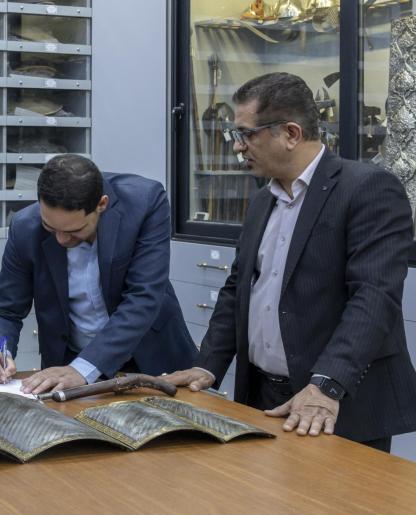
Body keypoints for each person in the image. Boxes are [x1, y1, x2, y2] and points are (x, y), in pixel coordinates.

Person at [163, 72, 416, 450]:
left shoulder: (367, 189)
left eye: (246, 134)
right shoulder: (262, 201)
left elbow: (374, 297)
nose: (238, 147)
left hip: (336, 403)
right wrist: (207, 365)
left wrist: (326, 384)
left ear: (291, 134)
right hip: (263, 397)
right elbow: (238, 290)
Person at [0, 154, 196, 394]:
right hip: (68, 366)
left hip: (151, 361)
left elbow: (143, 297)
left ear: (101, 205)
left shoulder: (144, 202)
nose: (61, 240)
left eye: (74, 230)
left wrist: (83, 368)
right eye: (50, 227)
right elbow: (6, 309)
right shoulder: (25, 226)